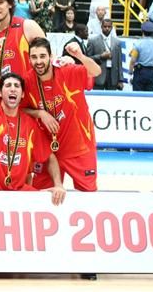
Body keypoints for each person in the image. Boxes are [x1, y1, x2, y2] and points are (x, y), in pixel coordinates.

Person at [0, 26, 66, 205]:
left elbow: (49, 157)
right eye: (8, 85)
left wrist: (58, 184)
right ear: (0, 92)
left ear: (22, 95)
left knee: (49, 202)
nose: (12, 88)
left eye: (17, 86)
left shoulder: (29, 124)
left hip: (18, 197)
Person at [24, 37, 101, 192]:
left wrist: (79, 56)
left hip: (79, 147)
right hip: (48, 150)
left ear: (51, 57)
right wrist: (40, 113)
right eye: (34, 57)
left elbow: (96, 71)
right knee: (40, 196)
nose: (38, 61)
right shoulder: (27, 80)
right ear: (29, 59)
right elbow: (20, 109)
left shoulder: (68, 71)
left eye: (42, 56)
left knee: (88, 194)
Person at [87, 19, 123, 90]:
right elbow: (88, 59)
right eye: (105, 26)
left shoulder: (117, 42)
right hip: (98, 74)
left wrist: (120, 80)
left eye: (109, 27)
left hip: (113, 75)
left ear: (112, 28)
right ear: (101, 27)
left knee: (111, 99)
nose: (107, 28)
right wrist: (100, 56)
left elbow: (119, 62)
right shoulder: (93, 41)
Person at [129, 21, 153, 92]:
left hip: (139, 72)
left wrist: (130, 73)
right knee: (149, 97)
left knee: (138, 97)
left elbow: (133, 61)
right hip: (151, 72)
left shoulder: (138, 44)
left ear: (142, 31)